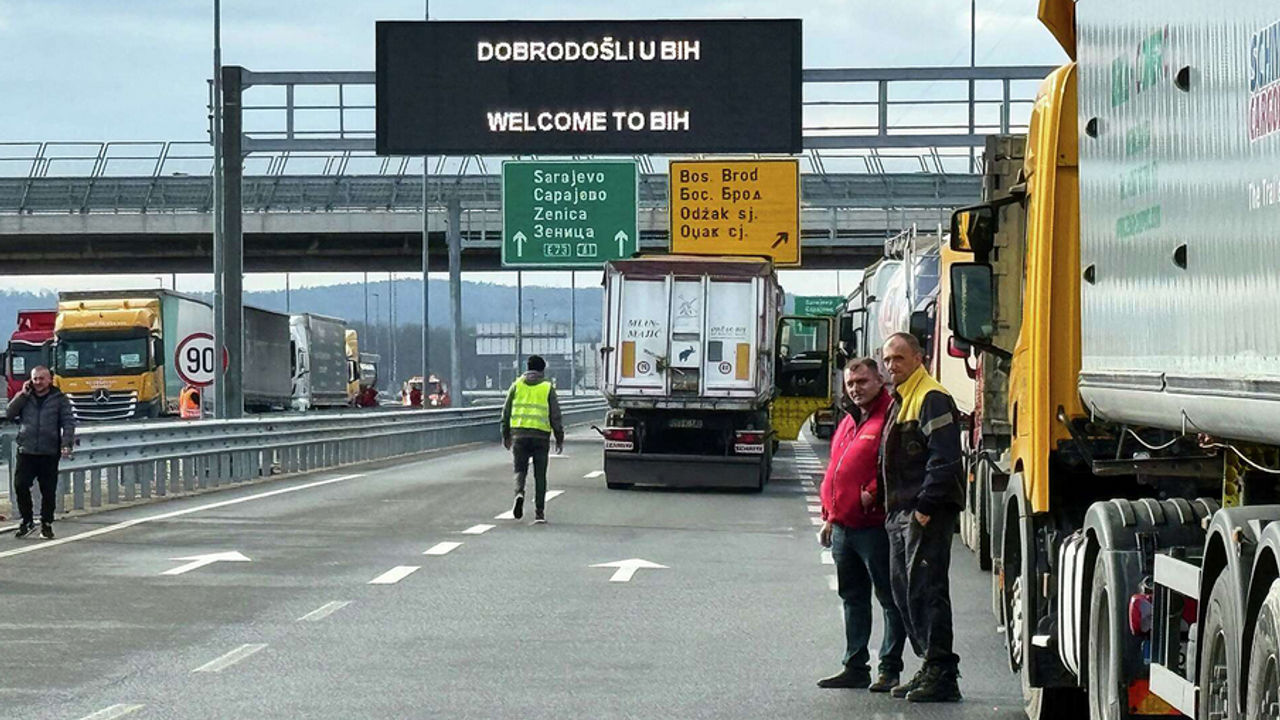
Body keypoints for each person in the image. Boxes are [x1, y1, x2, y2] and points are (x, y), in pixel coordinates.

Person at [879, 332, 965, 703]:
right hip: (901, 513)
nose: (890, 366)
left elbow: (944, 458)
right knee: (905, 591)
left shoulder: (931, 396)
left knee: (927, 590)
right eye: (886, 360)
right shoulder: (901, 399)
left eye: (898, 358)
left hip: (924, 513)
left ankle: (942, 671)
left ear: (918, 358)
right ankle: (928, 663)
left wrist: (925, 508)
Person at [817, 358, 907, 692]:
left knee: (889, 598)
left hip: (875, 527)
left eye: (862, 382)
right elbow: (835, 470)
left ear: (879, 380)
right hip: (842, 527)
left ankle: (889, 668)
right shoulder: (849, 420)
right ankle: (855, 666)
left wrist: (873, 491)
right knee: (853, 598)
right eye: (851, 383)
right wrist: (829, 516)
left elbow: (897, 465)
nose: (856, 388)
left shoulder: (890, 417)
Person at [6, 366, 75, 539]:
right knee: (20, 485)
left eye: (41, 379)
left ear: (49, 379)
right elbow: (9, 413)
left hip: (48, 451)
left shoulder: (59, 399)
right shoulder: (25, 397)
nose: (38, 382)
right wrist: (22, 394)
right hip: (27, 449)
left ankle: (46, 523)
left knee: (48, 490)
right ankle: (27, 520)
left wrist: (66, 443)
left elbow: (68, 423)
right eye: (35, 379)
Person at [500, 355, 564, 524]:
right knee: (540, 475)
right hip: (541, 437)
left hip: (519, 435)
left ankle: (519, 493)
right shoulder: (547, 388)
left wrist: (506, 434)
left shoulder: (516, 386)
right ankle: (539, 512)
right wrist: (559, 438)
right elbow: (555, 415)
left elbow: (505, 412)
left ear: (527, 368)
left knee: (520, 470)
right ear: (542, 370)